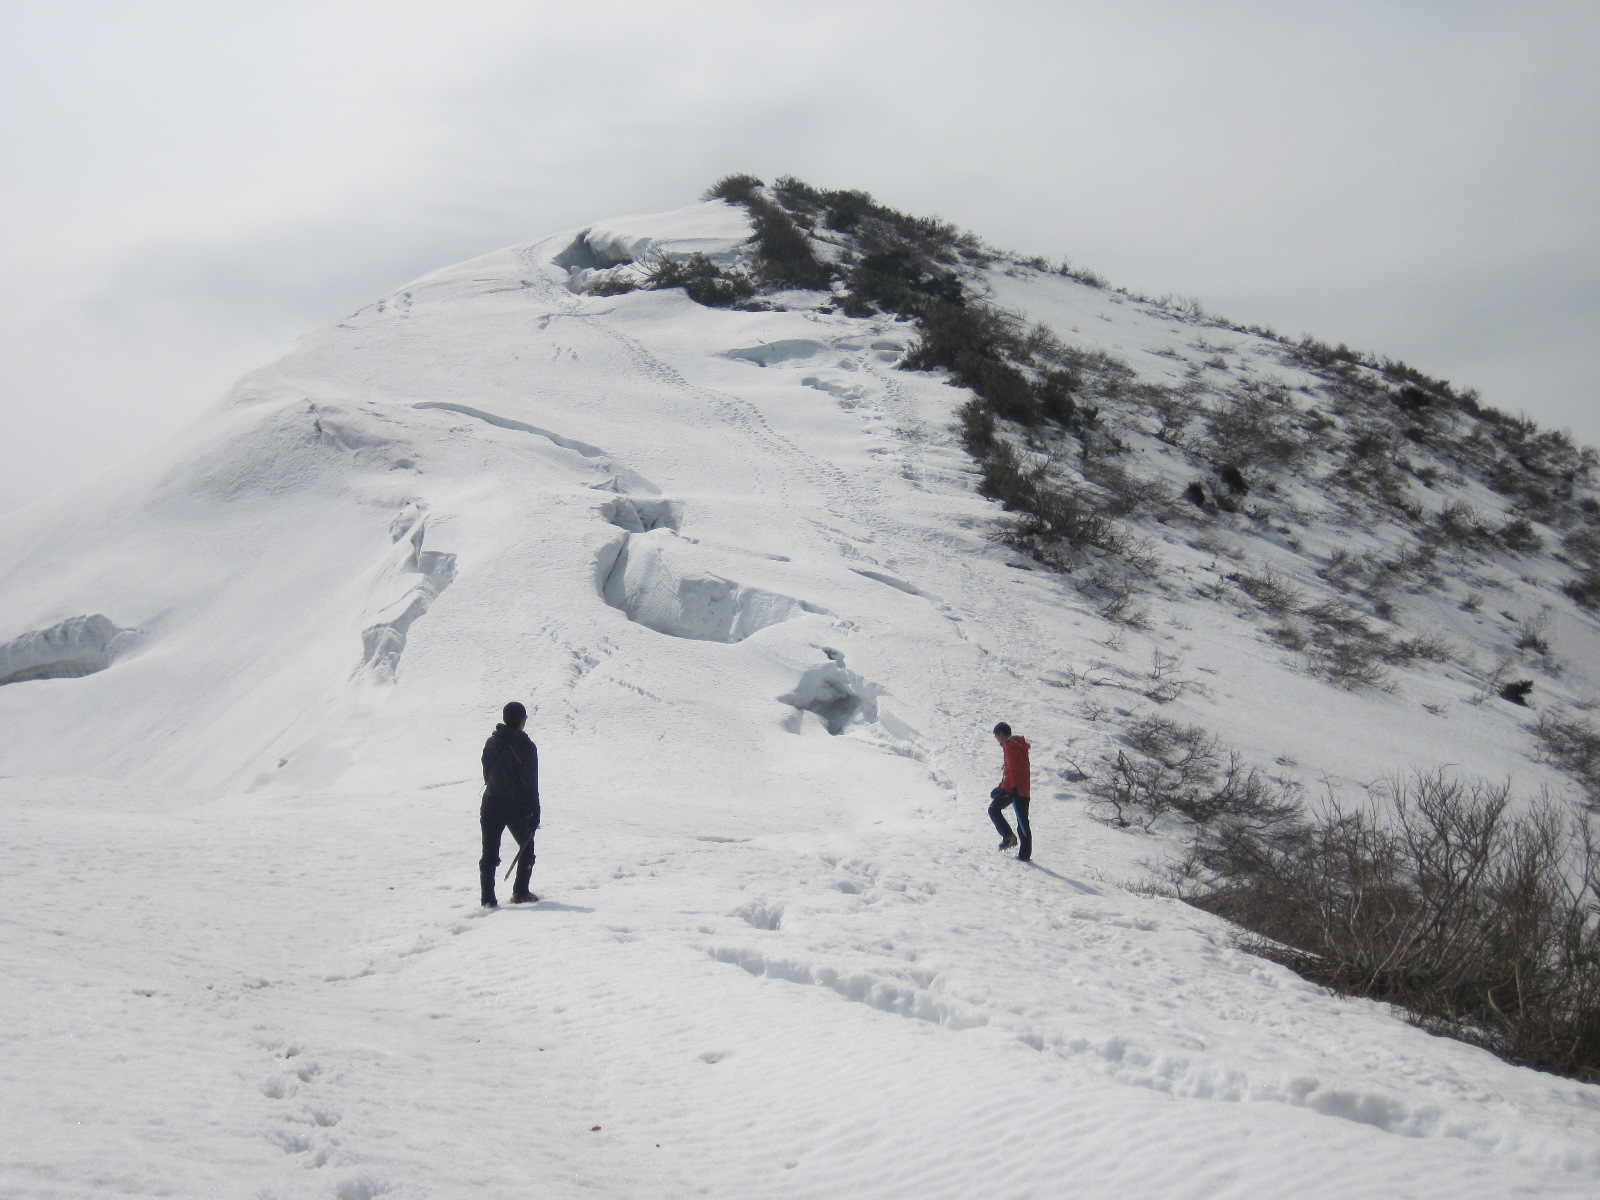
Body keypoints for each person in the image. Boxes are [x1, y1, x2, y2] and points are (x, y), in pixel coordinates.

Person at [480, 701, 540, 907]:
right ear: (522, 720)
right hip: (515, 806)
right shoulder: (526, 746)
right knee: (526, 849)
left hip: (490, 803)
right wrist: (535, 810)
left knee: (489, 854)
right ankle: (520, 892)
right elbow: (530, 783)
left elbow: (486, 770)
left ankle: (487, 899)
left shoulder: (491, 742)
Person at [987, 721, 1031, 862]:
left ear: (1000, 733)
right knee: (995, 809)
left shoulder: (1009, 745)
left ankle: (1022, 854)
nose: (996, 739)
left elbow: (1013, 770)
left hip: (1017, 790)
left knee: (1022, 824)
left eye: (996, 736)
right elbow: (1010, 770)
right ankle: (1010, 838)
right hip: (1019, 788)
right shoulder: (1017, 745)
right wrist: (1001, 787)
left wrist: (1006, 789)